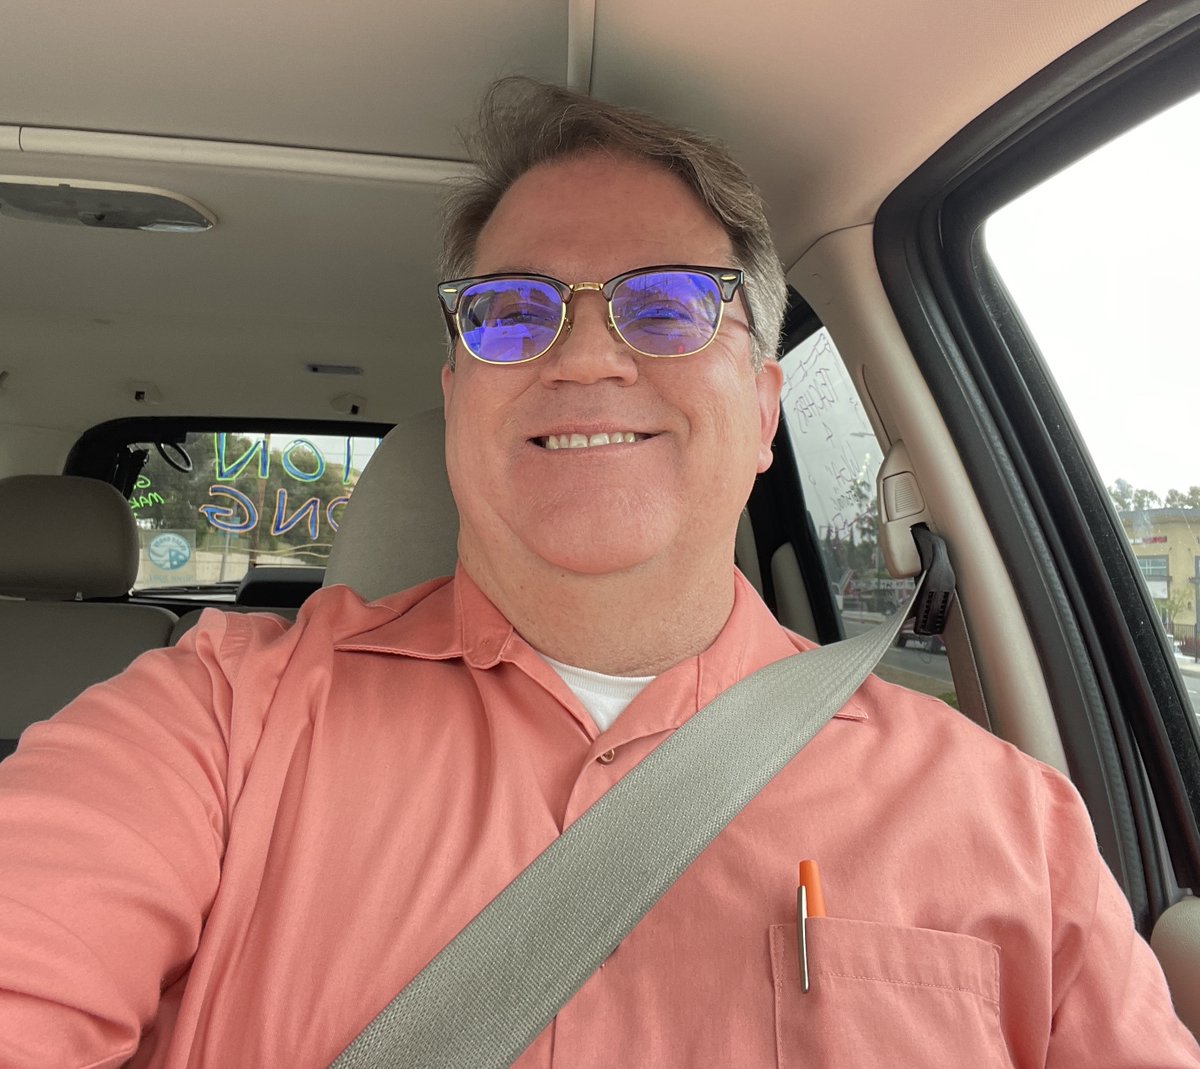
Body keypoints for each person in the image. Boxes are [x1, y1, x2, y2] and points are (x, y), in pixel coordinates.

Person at [1, 77, 1198, 1069]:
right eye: (513, 313)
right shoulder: (217, 720)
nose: (582, 357)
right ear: (458, 388)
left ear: (767, 405)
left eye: (670, 307)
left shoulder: (1006, 816)